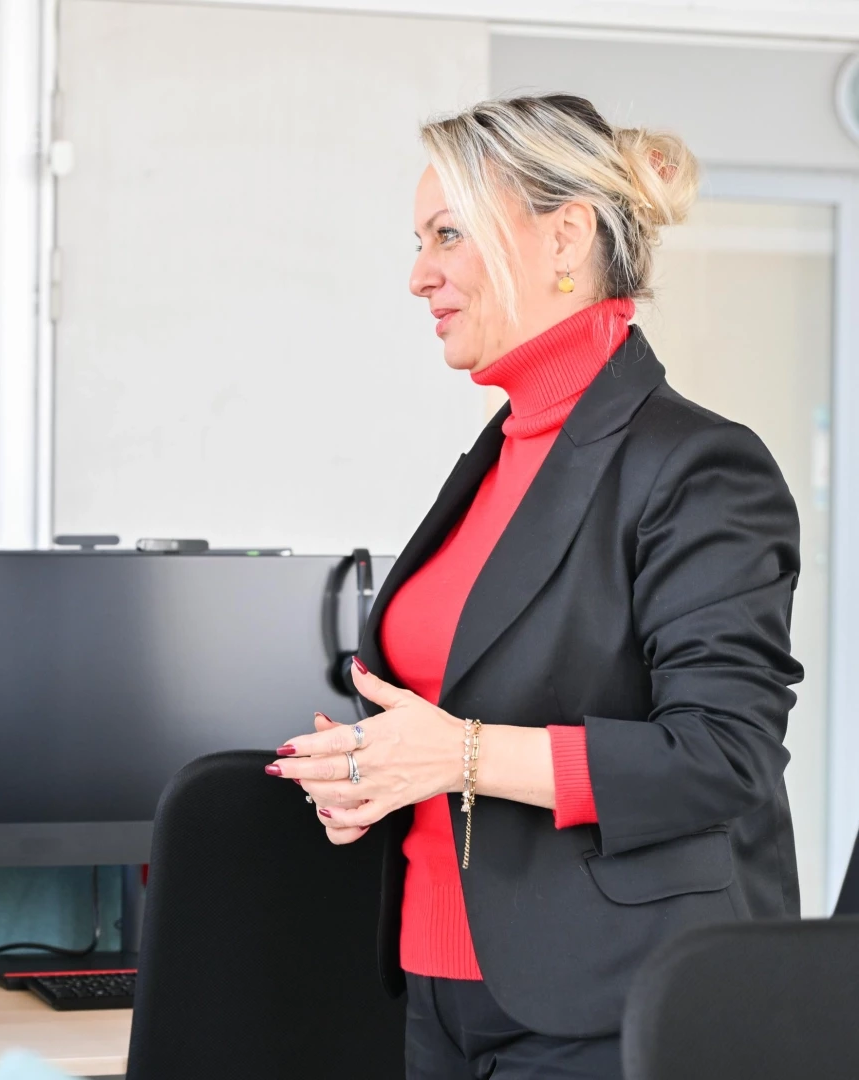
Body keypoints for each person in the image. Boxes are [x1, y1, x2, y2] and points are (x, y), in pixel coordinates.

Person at [268, 95, 801, 1077]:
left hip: (610, 1001)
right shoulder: (499, 457)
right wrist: (379, 773)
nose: (419, 274)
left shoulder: (698, 466)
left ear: (565, 236)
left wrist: (459, 755)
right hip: (434, 989)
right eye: (419, 241)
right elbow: (460, 713)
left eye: (449, 234)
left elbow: (723, 756)